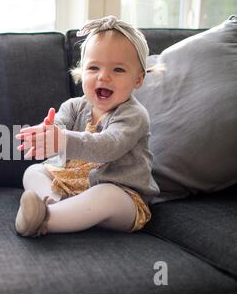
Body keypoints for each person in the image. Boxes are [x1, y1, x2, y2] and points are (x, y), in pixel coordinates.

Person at [15, 16, 160, 237]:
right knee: (33, 171)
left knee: (105, 195)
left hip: (123, 197)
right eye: (94, 68)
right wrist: (48, 133)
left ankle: (47, 220)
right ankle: (51, 203)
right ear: (82, 72)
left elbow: (109, 147)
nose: (104, 76)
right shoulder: (74, 106)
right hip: (73, 188)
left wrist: (63, 139)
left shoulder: (133, 115)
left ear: (138, 79)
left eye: (118, 70)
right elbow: (59, 124)